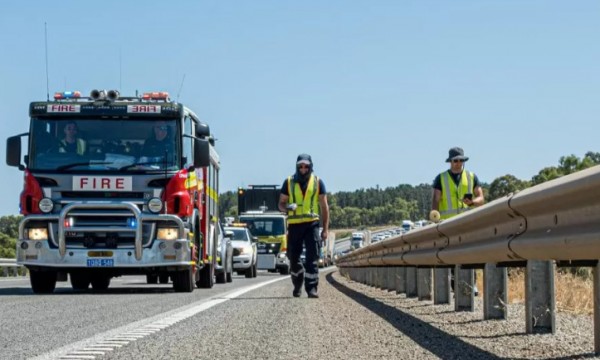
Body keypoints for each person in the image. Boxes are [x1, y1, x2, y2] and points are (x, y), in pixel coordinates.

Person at [431, 146, 484, 296]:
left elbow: (481, 198)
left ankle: (471, 284)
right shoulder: (441, 178)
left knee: (470, 253)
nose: (458, 163)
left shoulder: (472, 176)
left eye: (461, 160)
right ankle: (456, 287)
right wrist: (435, 217)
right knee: (453, 255)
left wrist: (472, 202)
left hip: (467, 222)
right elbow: (435, 199)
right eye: (455, 160)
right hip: (448, 223)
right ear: (450, 161)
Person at [278, 153, 329, 299]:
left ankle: (312, 288)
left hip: (311, 224)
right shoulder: (288, 182)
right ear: (297, 166)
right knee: (293, 258)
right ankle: (297, 282)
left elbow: (324, 207)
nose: (303, 169)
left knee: (312, 257)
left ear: (311, 166)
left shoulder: (318, 182)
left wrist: (325, 229)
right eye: (301, 166)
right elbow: (280, 204)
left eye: (306, 166)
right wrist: (287, 207)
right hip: (294, 225)